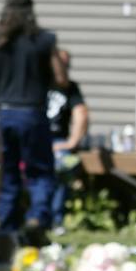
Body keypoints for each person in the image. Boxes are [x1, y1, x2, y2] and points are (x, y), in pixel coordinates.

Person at [0, 0, 65, 241]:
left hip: (1, 115)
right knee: (40, 171)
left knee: (6, 173)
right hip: (33, 113)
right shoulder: (45, 40)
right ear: (31, 9)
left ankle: (7, 227)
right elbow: (61, 78)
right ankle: (37, 217)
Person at [46, 50, 91, 230]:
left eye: (66, 65)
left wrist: (72, 142)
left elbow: (82, 114)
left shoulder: (70, 88)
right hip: (33, 139)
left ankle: (56, 220)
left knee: (62, 169)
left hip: (57, 142)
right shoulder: (37, 84)